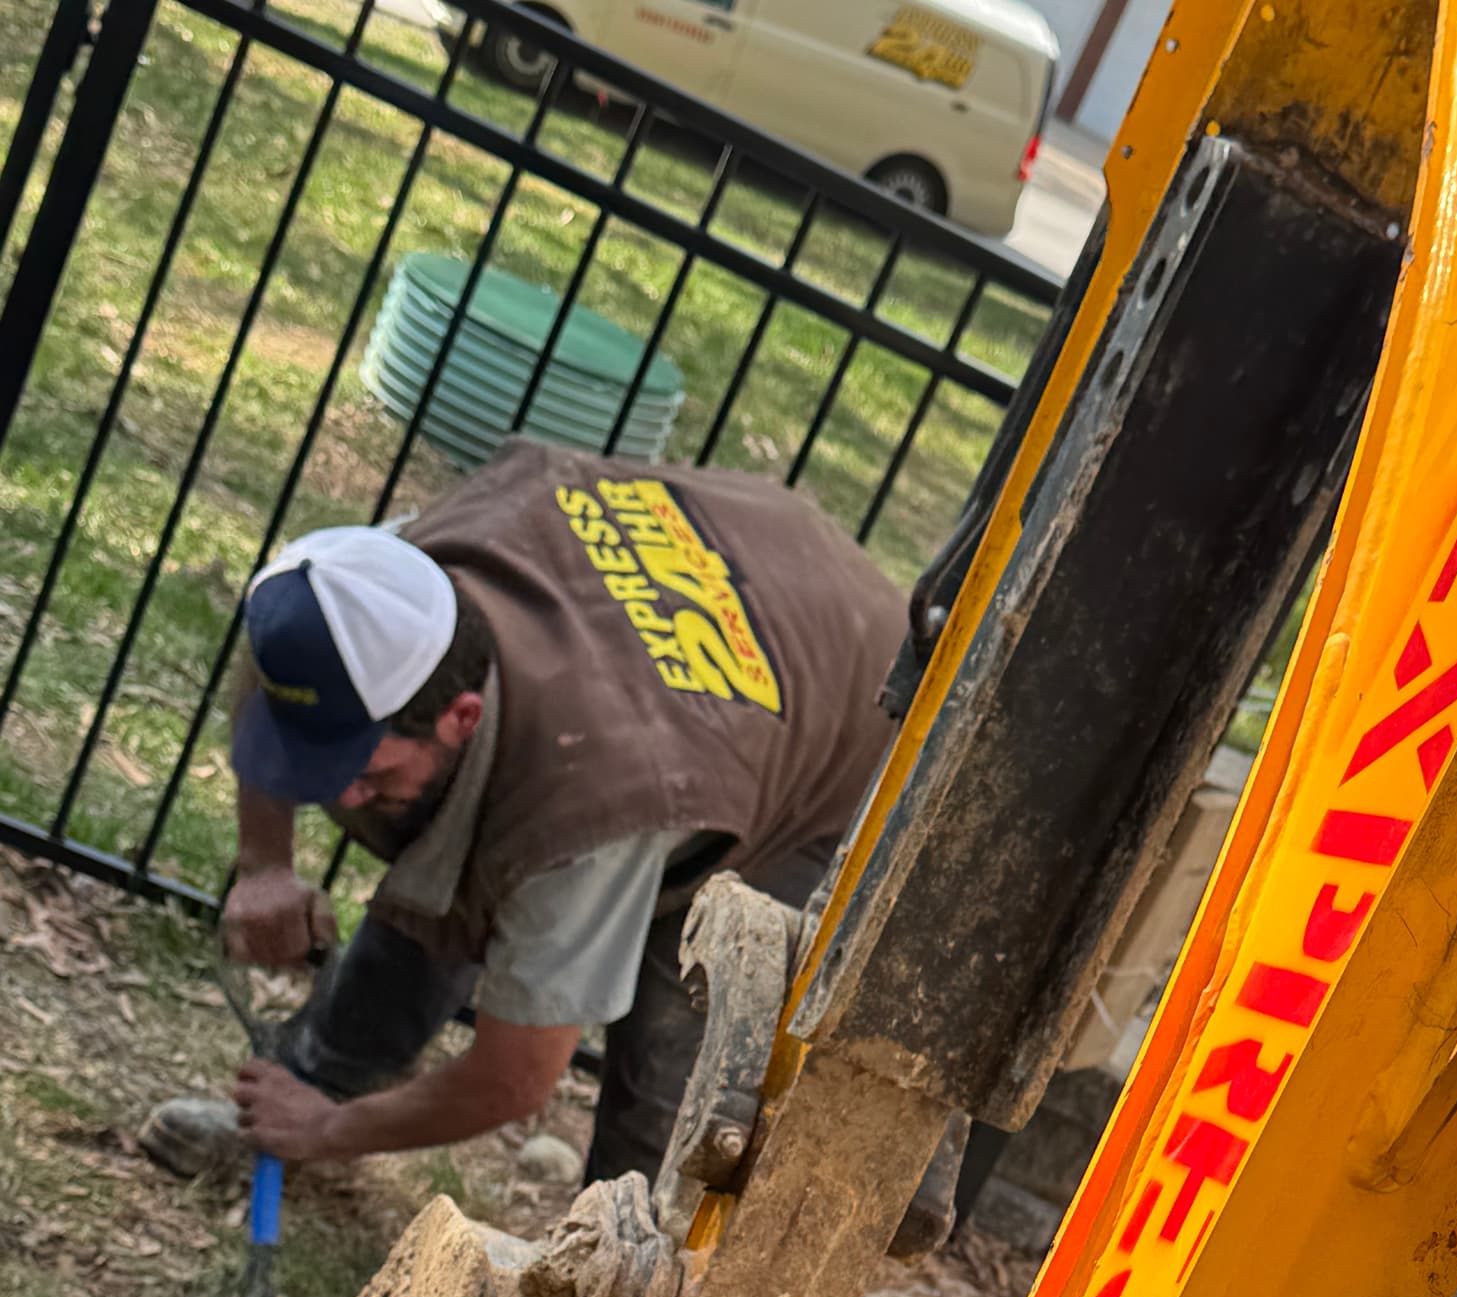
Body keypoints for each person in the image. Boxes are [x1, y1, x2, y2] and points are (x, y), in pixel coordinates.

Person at [142, 441, 906, 1187]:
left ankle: (629, 1271)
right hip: (743, 563)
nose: (339, 800)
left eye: (364, 770)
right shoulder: (377, 586)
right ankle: (313, 1097)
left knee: (674, 1049)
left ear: (462, 716)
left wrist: (334, 1134)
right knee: (452, 847)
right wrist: (264, 865)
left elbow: (514, 1079)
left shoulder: (600, 805)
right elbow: (282, 665)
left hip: (843, 727)